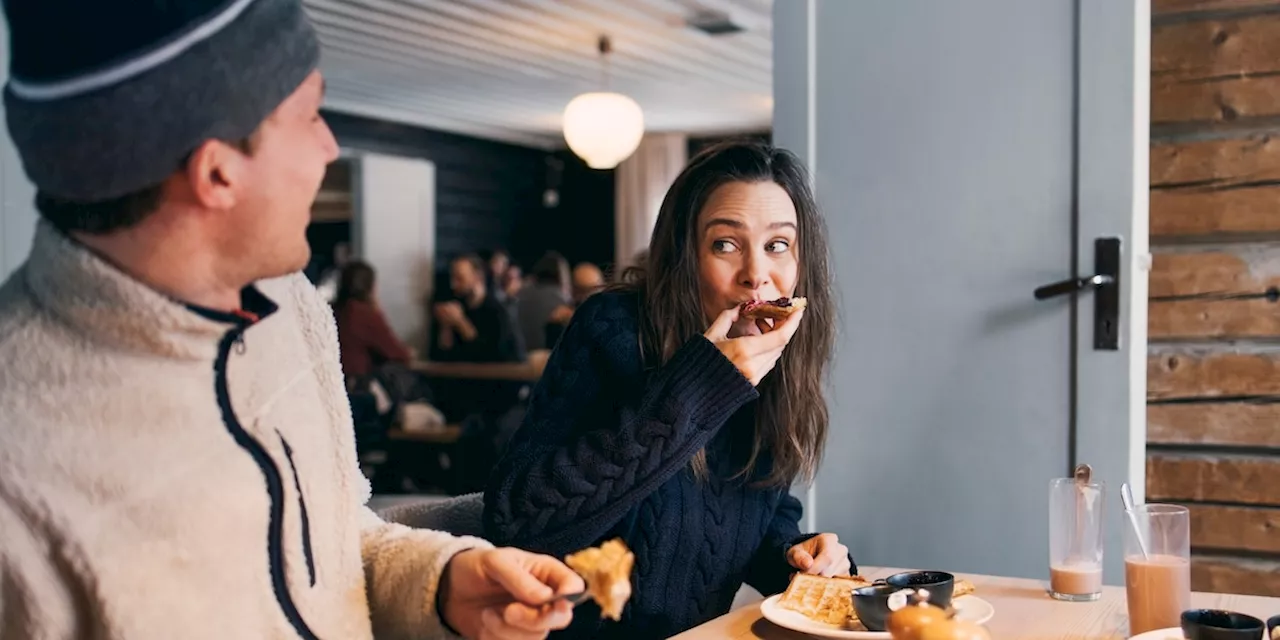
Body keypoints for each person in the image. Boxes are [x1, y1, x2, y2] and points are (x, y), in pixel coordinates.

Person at [0, 1, 581, 638]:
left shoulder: (291, 306)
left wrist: (440, 582)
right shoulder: (18, 463)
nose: (329, 147)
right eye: (309, 115)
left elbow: (330, 539)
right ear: (217, 173)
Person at [483, 141, 851, 639]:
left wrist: (795, 553)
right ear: (686, 256)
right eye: (725, 244)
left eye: (777, 245)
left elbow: (746, 512)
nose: (756, 275)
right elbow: (516, 519)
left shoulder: (776, 360)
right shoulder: (614, 328)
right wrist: (705, 384)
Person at [432, 254, 525, 363]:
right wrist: (445, 326)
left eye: (459, 278)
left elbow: (492, 355)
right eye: (452, 278)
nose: (453, 285)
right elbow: (442, 356)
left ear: (478, 277)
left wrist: (461, 323)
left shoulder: (498, 311)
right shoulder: (457, 307)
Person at [333, 260, 413, 380]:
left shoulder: (333, 311)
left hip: (333, 381)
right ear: (371, 286)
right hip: (357, 385)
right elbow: (397, 353)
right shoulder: (364, 314)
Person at [517, 251, 571, 351]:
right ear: (561, 275)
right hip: (544, 359)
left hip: (521, 357)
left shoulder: (521, 294)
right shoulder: (560, 300)